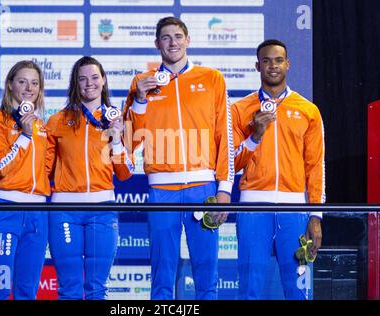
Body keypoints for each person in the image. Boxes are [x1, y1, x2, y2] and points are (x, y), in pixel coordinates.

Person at [123, 16, 234, 300]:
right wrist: (139, 100)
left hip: (203, 188)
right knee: (162, 277)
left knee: (207, 274)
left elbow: (225, 137)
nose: (172, 42)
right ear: (157, 44)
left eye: (177, 36)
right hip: (161, 190)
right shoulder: (141, 83)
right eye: (165, 37)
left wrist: (223, 190)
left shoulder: (211, 79)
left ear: (188, 40)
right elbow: (131, 140)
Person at [231, 39, 324, 300]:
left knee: (297, 289)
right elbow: (231, 164)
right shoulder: (239, 109)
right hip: (252, 209)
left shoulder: (308, 110)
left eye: (279, 60)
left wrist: (315, 216)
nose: (273, 66)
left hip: (294, 210)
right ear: (257, 66)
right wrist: (255, 135)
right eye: (267, 60)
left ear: (288, 64)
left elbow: (315, 166)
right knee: (249, 288)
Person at [45, 56, 134, 300]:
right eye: (82, 79)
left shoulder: (118, 121)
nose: (89, 84)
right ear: (75, 83)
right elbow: (42, 169)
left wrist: (116, 139)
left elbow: (125, 173)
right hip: (64, 210)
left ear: (104, 80)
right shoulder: (57, 121)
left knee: (97, 289)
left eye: (95, 77)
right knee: (69, 288)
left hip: (102, 210)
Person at [0, 60, 50, 300]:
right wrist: (24, 137)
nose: (29, 88)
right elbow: (0, 167)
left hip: (38, 215)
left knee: (27, 292)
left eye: (35, 83)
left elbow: (47, 169)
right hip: (5, 211)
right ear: (10, 85)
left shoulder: (42, 127)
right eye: (22, 81)